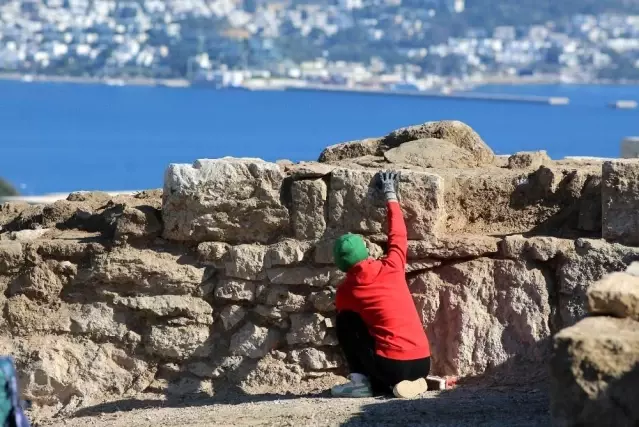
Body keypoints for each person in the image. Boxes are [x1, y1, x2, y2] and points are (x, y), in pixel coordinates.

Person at [330, 170, 431, 399]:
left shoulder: (346, 291)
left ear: (340, 265)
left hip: (392, 366)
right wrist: (390, 195)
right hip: (423, 362)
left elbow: (357, 334)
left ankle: (361, 383)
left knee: (346, 321)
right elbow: (398, 235)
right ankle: (416, 382)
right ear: (365, 251)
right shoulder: (392, 266)